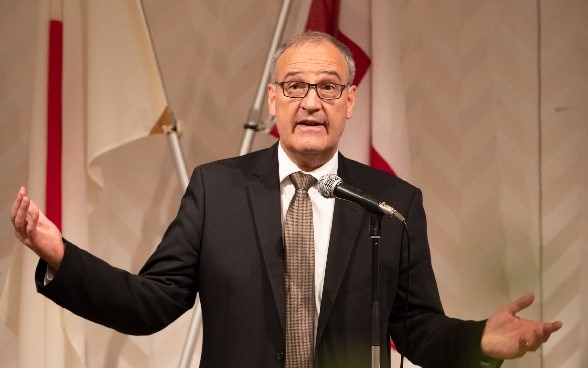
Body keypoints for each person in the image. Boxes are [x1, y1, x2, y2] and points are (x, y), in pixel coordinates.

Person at [11, 31, 561, 368]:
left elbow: (416, 326)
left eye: (328, 88)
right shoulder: (216, 189)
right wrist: (62, 257)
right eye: (295, 87)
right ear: (273, 101)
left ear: (350, 102)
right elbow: (151, 302)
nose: (311, 102)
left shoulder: (392, 202)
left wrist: (480, 343)